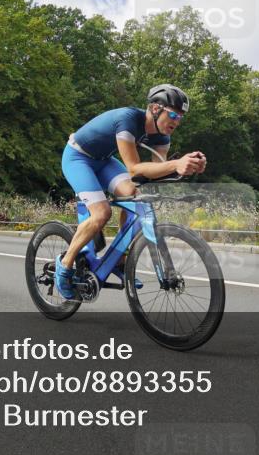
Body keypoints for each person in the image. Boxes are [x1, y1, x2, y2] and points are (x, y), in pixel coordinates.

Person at [55, 84, 206, 300]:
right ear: (155, 108)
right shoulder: (127, 120)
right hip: (78, 157)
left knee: (134, 196)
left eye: (180, 117)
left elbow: (157, 172)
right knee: (101, 213)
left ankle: (118, 259)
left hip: (104, 161)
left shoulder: (163, 137)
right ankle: (65, 265)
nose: (176, 120)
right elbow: (134, 168)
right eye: (173, 114)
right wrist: (176, 164)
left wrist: (188, 167)